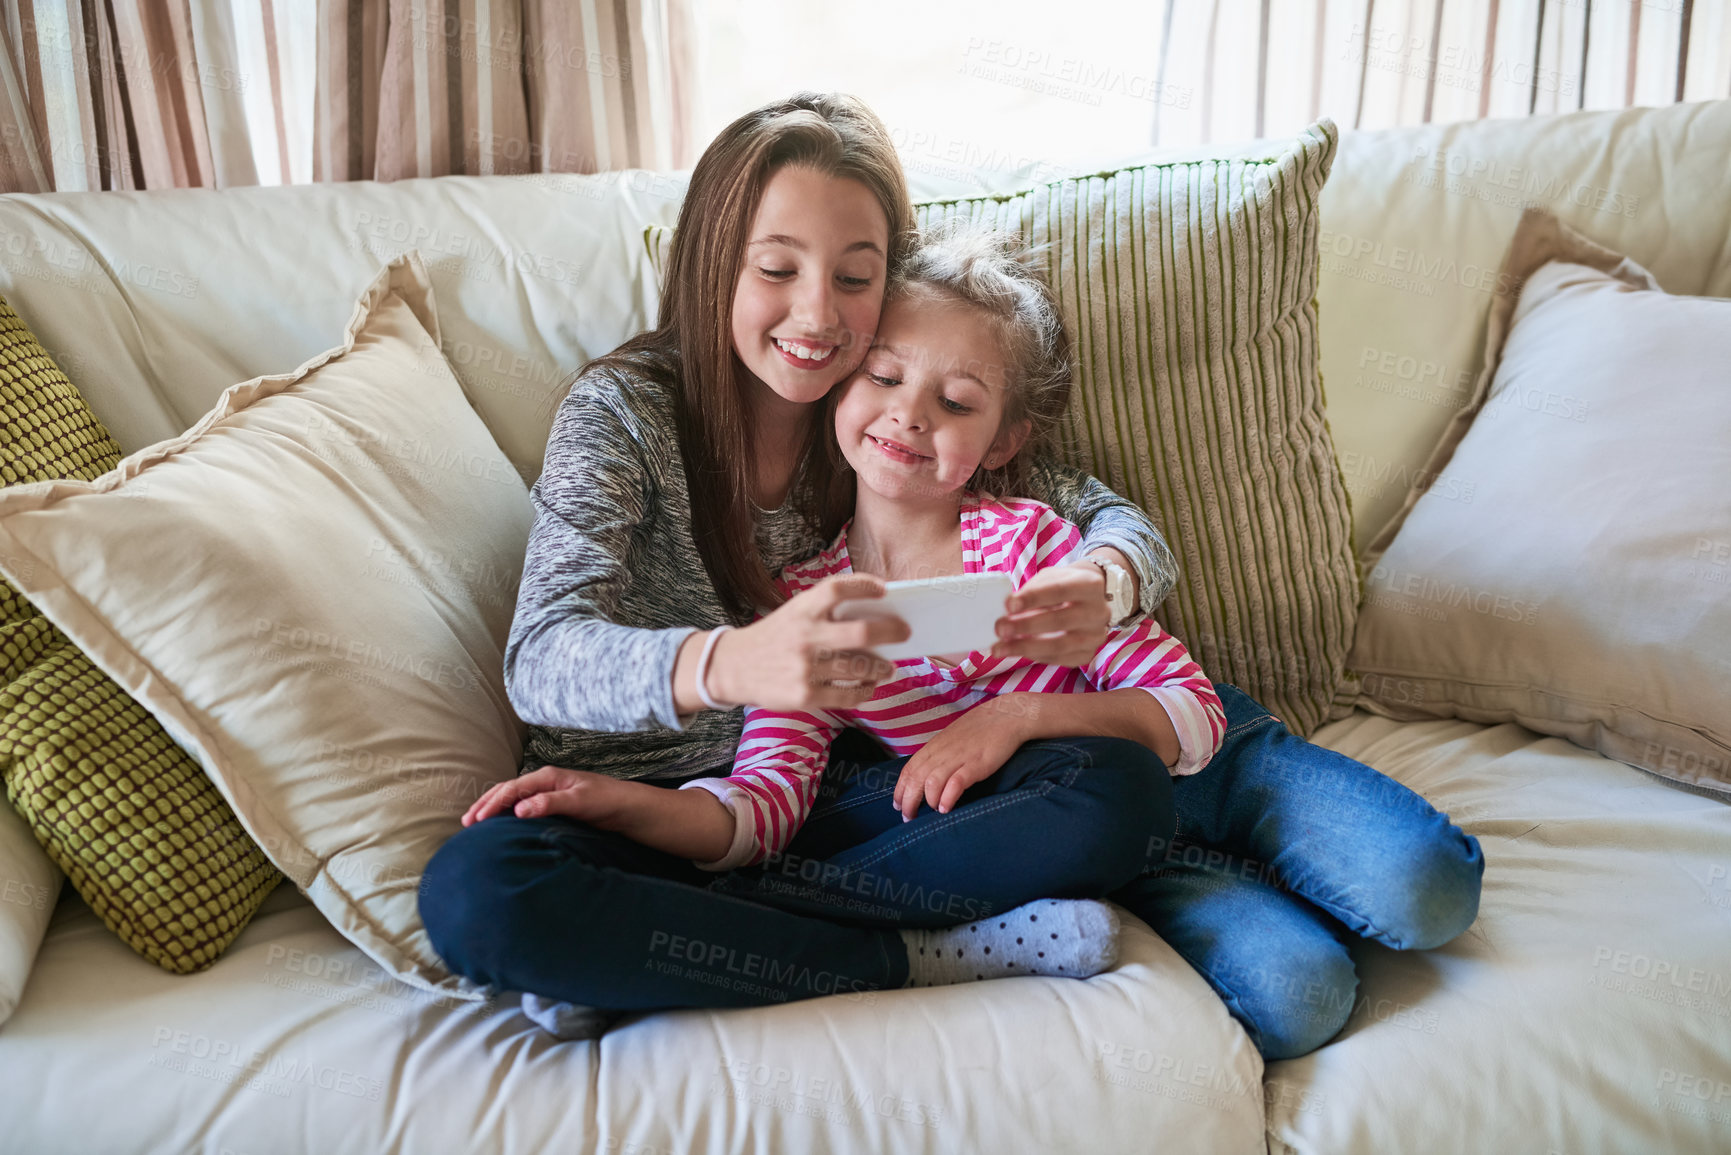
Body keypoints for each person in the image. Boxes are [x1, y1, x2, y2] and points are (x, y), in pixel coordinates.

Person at [416, 92, 1181, 1028]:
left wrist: (1107, 581)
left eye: (855, 280)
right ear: (711, 266)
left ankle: (665, 952)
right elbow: (540, 658)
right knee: (478, 892)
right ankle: (908, 954)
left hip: (828, 796)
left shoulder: (872, 406)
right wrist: (729, 664)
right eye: (777, 268)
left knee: (1110, 790)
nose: (816, 315)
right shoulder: (624, 413)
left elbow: (1097, 511)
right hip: (641, 805)